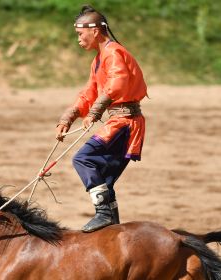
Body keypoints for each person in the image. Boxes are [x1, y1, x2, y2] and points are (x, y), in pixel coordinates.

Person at [56, 5, 147, 233]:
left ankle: (105, 214)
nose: (78, 39)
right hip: (119, 122)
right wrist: (69, 117)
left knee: (84, 160)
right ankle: (111, 221)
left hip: (125, 123)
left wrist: (96, 111)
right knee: (103, 177)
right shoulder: (98, 60)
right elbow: (89, 93)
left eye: (80, 33)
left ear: (95, 31)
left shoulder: (113, 52)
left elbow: (118, 82)